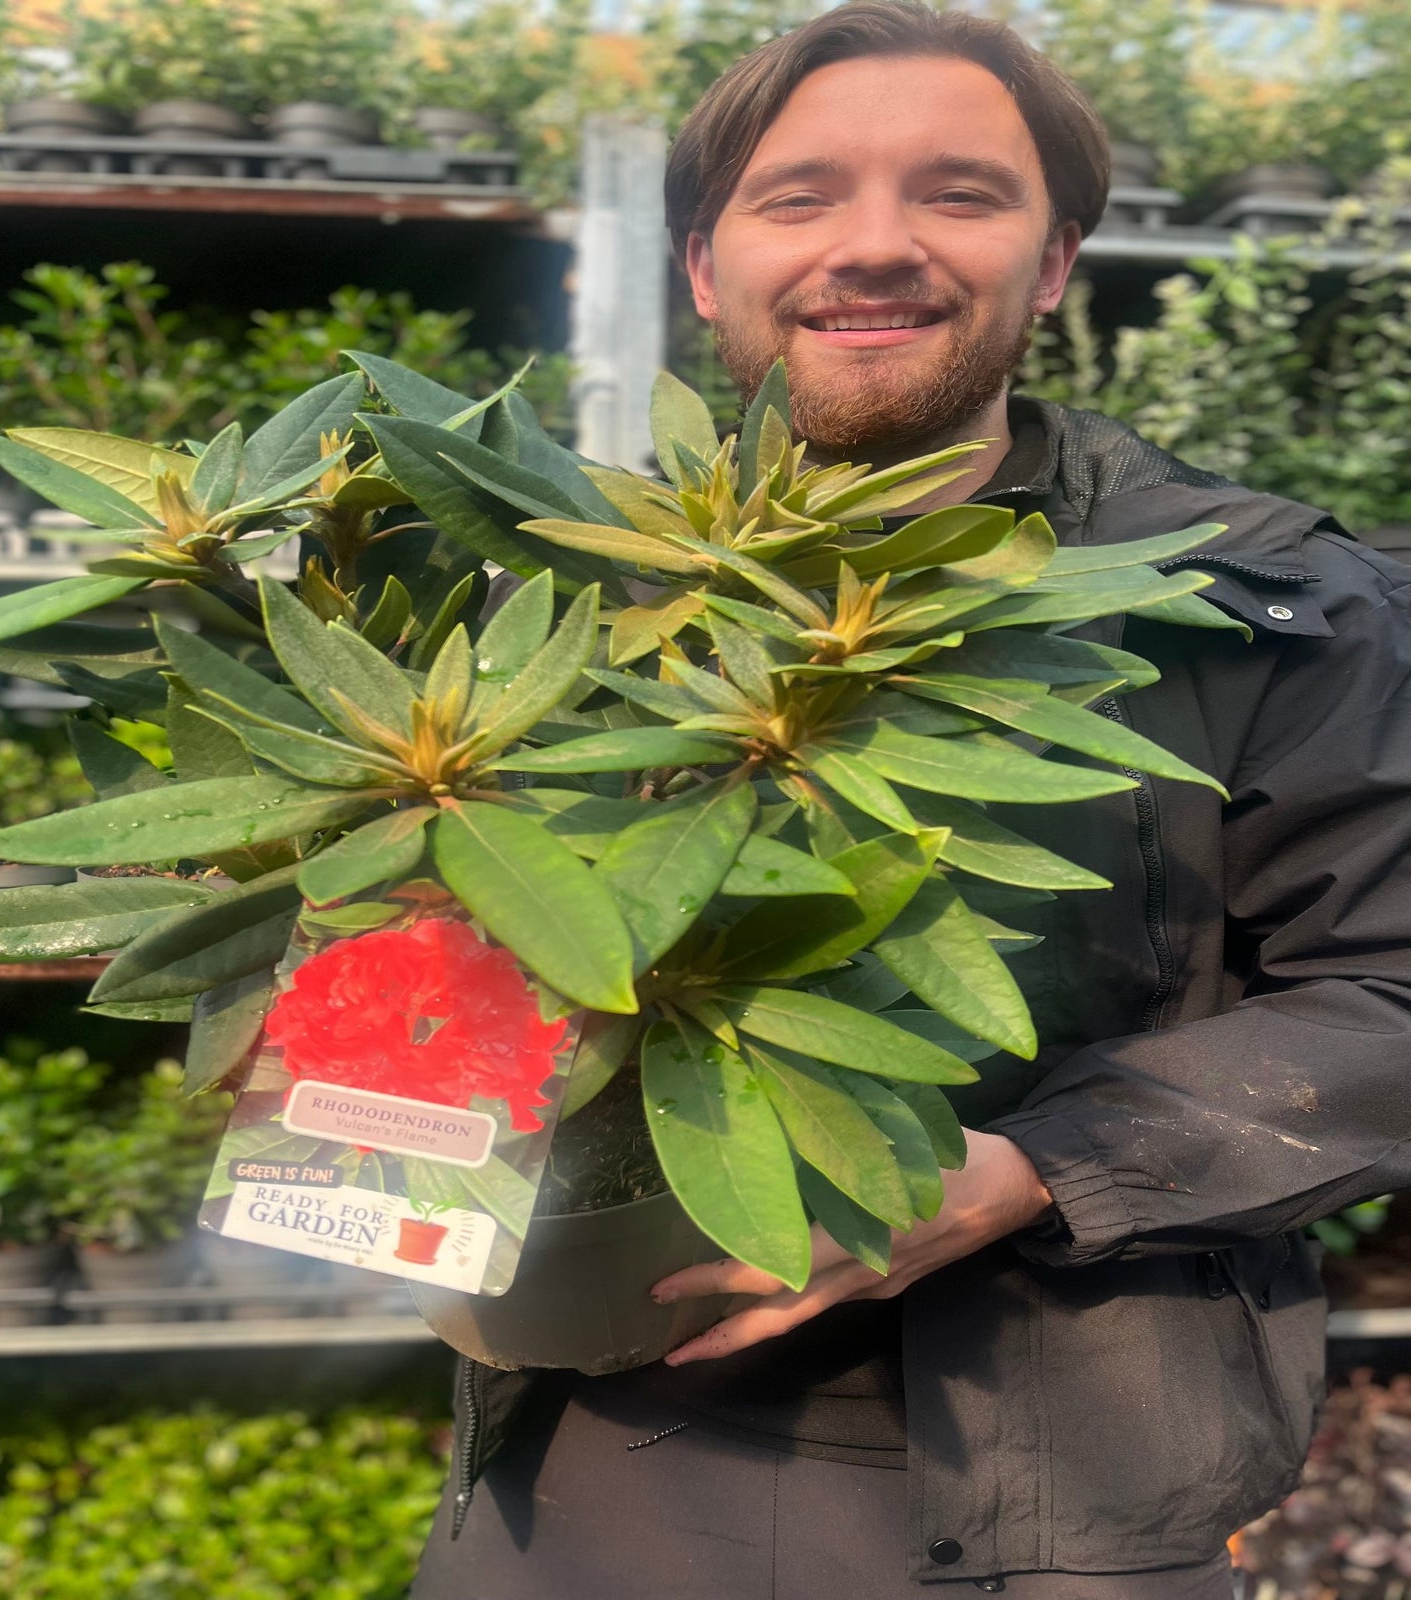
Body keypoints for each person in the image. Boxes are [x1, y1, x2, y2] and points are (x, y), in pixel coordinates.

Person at [411, 4, 1411, 1594]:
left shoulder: (1264, 600)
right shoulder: (564, 595)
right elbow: (436, 931)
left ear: (1057, 257)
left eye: (959, 190)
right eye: (798, 195)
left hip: (1055, 1504)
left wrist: (1021, 1174)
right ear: (701, 264)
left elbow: (1392, 998)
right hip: (577, 1461)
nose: (872, 246)